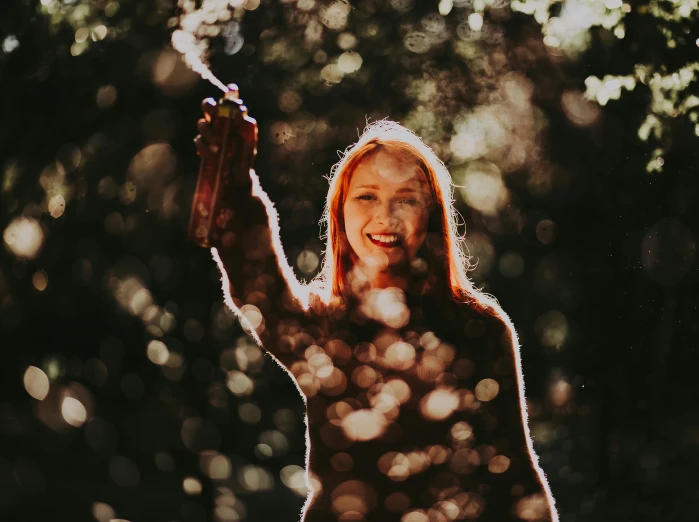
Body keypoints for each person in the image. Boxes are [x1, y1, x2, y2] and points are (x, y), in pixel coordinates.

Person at [195, 99, 559, 522]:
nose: (385, 216)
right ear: (340, 211)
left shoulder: (479, 327)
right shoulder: (322, 325)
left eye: (406, 200)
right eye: (367, 196)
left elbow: (514, 476)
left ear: (433, 214)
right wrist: (236, 184)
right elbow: (259, 291)